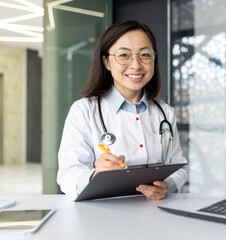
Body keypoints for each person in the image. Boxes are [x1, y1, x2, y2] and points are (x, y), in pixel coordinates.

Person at [57, 20, 188, 201]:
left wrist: (167, 185)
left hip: (153, 214)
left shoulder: (165, 113)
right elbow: (68, 173)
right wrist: (95, 176)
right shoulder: (84, 111)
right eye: (124, 55)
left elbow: (179, 167)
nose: (136, 65)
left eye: (145, 55)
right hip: (102, 215)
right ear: (106, 62)